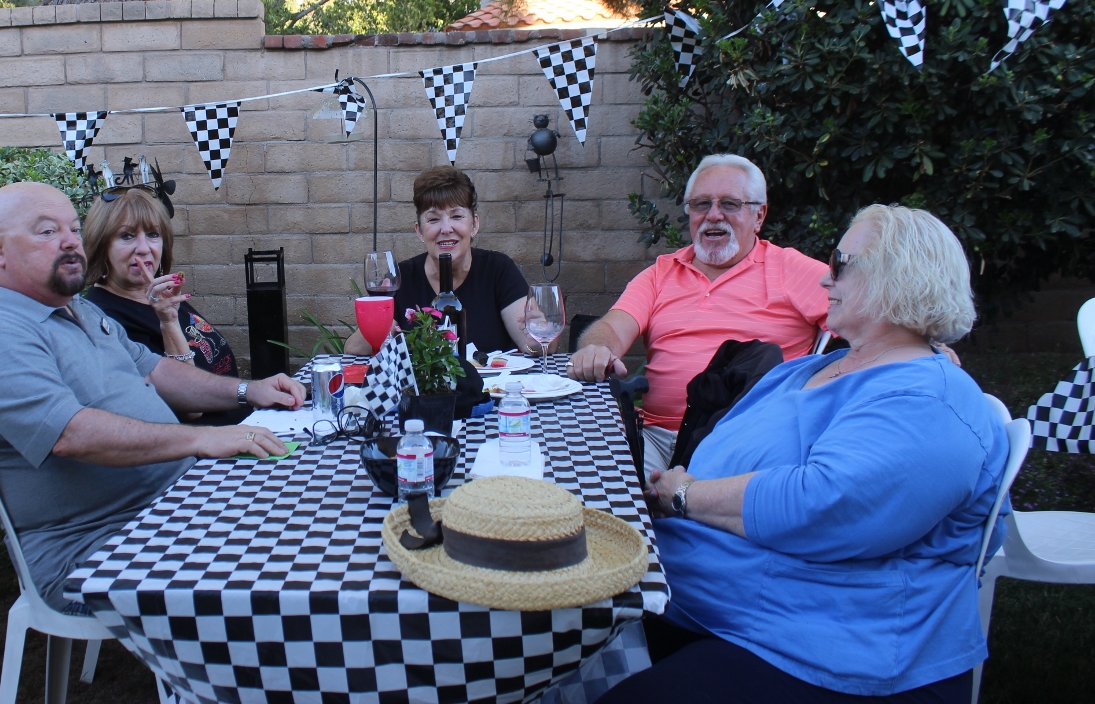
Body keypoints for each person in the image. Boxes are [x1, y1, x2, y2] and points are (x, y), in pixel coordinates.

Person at [605, 205, 1005, 704]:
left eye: (839, 263)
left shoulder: (930, 402)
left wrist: (683, 494)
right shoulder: (825, 366)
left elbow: (825, 505)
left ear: (895, 278)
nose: (823, 280)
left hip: (823, 648)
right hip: (709, 602)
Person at [0, 182, 305, 607]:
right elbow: (70, 435)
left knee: (301, 504)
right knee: (277, 569)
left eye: (73, 229)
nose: (70, 242)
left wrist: (249, 390)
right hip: (96, 544)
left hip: (175, 499)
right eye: (47, 232)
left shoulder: (78, 311)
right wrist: (202, 439)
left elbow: (160, 370)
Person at [568, 154, 829, 476]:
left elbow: (869, 319)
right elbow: (611, 327)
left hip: (742, 442)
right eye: (701, 204)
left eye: (730, 204)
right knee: (584, 476)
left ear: (759, 215)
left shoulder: (792, 270)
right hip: (653, 437)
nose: (714, 215)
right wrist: (598, 349)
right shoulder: (662, 272)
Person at [345, 166, 535, 358]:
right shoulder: (400, 279)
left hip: (493, 386)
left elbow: (534, 345)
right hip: (423, 388)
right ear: (420, 231)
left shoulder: (498, 270)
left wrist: (539, 333)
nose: (446, 228)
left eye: (457, 216)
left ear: (474, 224)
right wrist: (380, 314)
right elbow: (353, 350)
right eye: (434, 219)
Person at [83, 187, 236, 378]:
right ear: (102, 245)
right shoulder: (106, 320)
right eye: (126, 236)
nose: (143, 248)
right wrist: (169, 323)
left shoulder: (157, 295)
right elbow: (189, 403)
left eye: (153, 234)